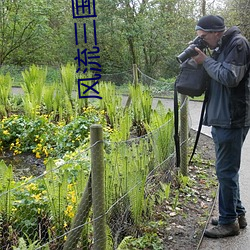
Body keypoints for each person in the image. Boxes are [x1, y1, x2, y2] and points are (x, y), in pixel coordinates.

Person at [192, 15, 250, 238]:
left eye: (204, 37)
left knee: (225, 171)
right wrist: (202, 59)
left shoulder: (238, 44)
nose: (203, 41)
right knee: (227, 171)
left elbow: (229, 77)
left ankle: (228, 223)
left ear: (216, 32)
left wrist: (205, 61)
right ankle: (237, 214)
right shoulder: (221, 46)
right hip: (222, 117)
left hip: (232, 118)